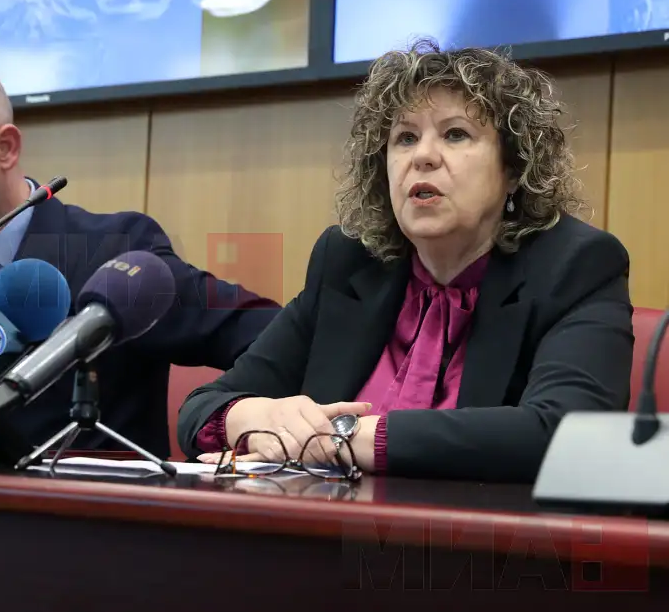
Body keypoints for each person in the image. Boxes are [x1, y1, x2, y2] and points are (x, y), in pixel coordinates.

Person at [177, 39, 634, 484]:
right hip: (326, 527)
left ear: (513, 169)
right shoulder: (348, 263)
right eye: (405, 138)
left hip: (478, 533)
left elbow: (570, 435)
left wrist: (341, 438)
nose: (423, 156)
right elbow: (201, 408)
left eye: (455, 134)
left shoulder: (575, 265)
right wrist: (257, 417)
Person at [0, 60, 282, 459]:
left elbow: (273, 339)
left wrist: (232, 417)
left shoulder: (118, 256)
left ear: (5, 148)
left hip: (84, 496)